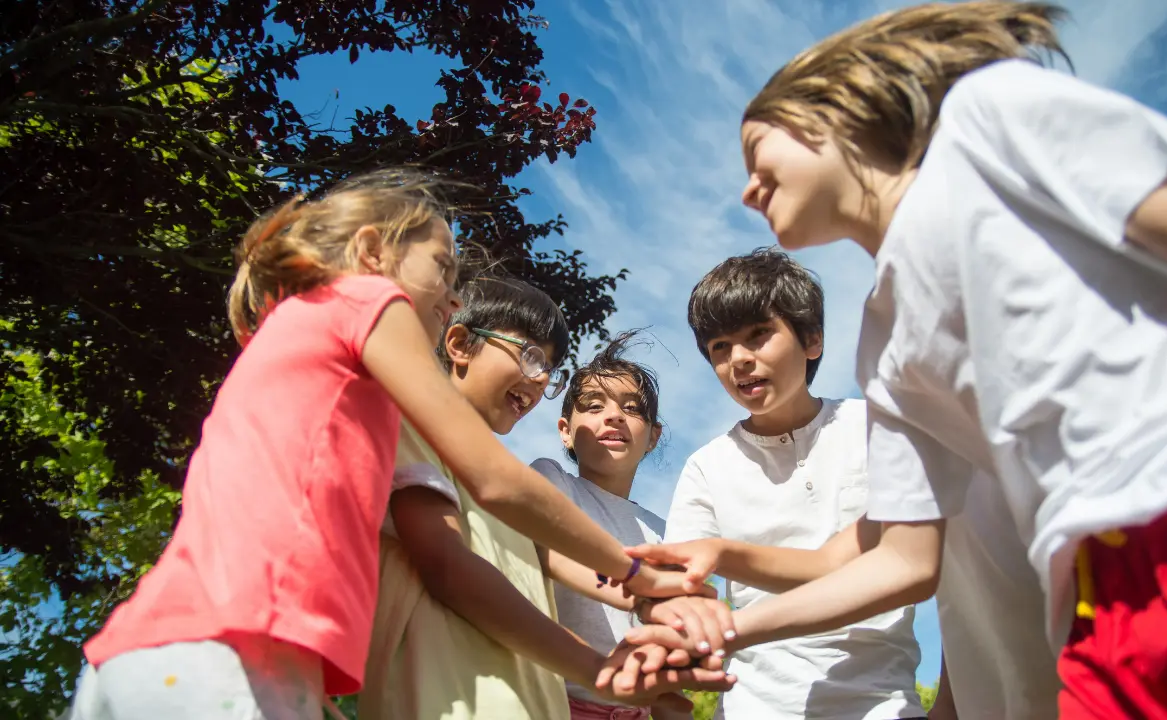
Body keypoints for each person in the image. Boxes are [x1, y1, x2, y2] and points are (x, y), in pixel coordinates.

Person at [621, 3, 1167, 718]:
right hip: (1097, 595)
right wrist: (726, 631)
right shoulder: (886, 342)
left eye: (758, 155)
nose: (749, 189)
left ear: (829, 118)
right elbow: (904, 560)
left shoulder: (983, 120)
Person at [65, 168, 731, 719]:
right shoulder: (362, 299)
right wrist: (644, 576)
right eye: (442, 269)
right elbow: (492, 482)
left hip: (217, 653)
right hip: (231, 650)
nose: (449, 299)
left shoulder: (343, 379)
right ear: (371, 251)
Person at [361, 280, 730, 720]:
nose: (539, 379)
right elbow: (470, 563)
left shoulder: (499, 487)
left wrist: (643, 602)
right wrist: (623, 616)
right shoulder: (514, 476)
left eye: (549, 370)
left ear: (654, 436)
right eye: (531, 356)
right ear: (565, 430)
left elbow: (548, 560)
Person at [654, 248, 925, 719]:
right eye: (720, 347)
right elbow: (676, 589)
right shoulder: (707, 466)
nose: (739, 359)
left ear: (812, 339)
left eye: (758, 335)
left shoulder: (877, 429)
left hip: (884, 705)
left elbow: (919, 566)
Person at [632, 468, 1061, 719]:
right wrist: (719, 553)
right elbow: (831, 564)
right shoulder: (932, 454)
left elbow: (909, 569)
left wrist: (728, 630)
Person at [534, 330, 730, 720]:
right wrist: (638, 588)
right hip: (554, 703)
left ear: (653, 437)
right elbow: (546, 551)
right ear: (565, 431)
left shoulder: (666, 533)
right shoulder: (551, 480)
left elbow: (667, 667)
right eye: (593, 405)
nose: (613, 416)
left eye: (632, 408)